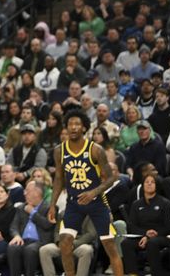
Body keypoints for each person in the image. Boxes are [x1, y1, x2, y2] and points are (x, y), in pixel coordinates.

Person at [48, 109, 124, 276]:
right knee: (65, 243)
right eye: (70, 124)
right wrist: (52, 204)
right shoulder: (59, 150)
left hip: (96, 202)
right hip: (74, 203)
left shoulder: (95, 150)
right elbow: (59, 179)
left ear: (84, 128)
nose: (73, 127)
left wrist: (93, 192)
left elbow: (111, 178)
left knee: (110, 245)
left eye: (77, 124)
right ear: (66, 128)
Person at [121, 173, 170, 275]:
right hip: (142, 236)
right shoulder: (136, 204)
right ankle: (133, 273)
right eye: (147, 182)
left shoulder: (165, 203)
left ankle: (156, 273)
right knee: (126, 243)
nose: (149, 184)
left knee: (152, 243)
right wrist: (145, 234)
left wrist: (154, 234)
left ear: (156, 185)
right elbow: (131, 226)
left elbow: (169, 226)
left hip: (161, 235)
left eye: (152, 182)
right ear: (142, 185)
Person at [6, 181, 54, 276]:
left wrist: (33, 213)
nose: (24, 193)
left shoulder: (50, 208)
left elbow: (47, 225)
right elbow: (13, 226)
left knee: (30, 250)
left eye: (27, 190)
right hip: (23, 240)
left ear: (36, 193)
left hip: (40, 241)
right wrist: (16, 235)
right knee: (13, 248)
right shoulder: (21, 208)